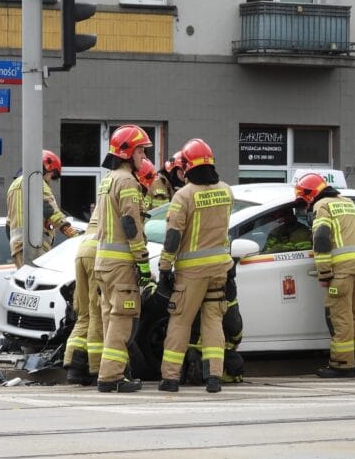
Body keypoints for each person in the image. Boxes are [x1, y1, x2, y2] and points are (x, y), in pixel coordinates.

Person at [156, 138, 234, 394]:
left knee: (180, 321)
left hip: (191, 273)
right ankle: (214, 376)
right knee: (213, 320)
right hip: (219, 269)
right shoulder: (226, 191)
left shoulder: (184, 195)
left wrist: (165, 267)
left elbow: (173, 236)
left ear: (187, 166)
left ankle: (170, 379)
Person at [94, 124, 153, 393]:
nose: (143, 156)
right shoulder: (127, 181)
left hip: (103, 264)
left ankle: (114, 372)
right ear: (128, 152)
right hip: (121, 265)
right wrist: (142, 260)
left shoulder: (108, 180)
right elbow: (130, 223)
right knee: (122, 320)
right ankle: (111, 376)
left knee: (110, 318)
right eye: (141, 150)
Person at [294, 173, 355, 378]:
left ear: (310, 195)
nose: (305, 205)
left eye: (303, 199)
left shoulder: (322, 206)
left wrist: (324, 273)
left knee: (340, 317)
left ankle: (343, 364)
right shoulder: (347, 203)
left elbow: (320, 238)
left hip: (342, 271)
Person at [6, 150, 77, 268]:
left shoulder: (14, 186)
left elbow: (8, 224)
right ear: (46, 167)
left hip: (18, 248)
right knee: (39, 284)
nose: (50, 180)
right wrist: (69, 230)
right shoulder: (35, 180)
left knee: (26, 283)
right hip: (36, 245)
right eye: (52, 174)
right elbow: (49, 209)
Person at [63, 206, 101, 385]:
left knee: (84, 314)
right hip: (98, 254)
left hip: (82, 251)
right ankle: (97, 368)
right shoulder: (127, 191)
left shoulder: (105, 194)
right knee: (97, 313)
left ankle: (74, 367)